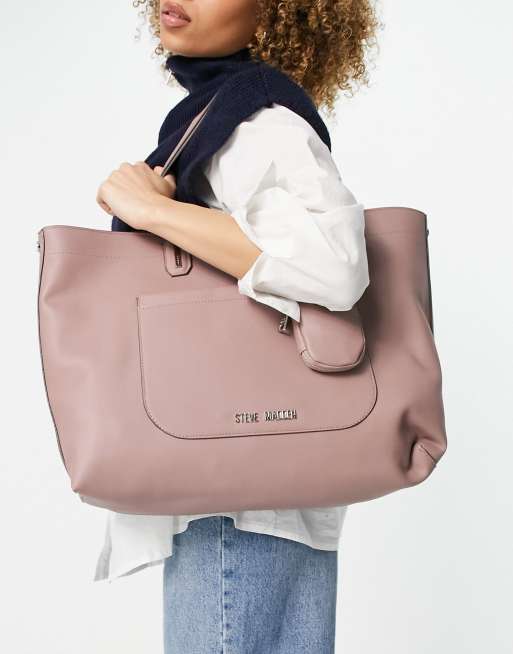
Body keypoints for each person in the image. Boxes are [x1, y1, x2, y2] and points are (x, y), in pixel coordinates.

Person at [95, 1, 380, 652]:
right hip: (258, 483)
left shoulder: (258, 123)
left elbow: (335, 266)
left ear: (278, 11)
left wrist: (149, 210)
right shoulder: (222, 116)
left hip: (234, 498)